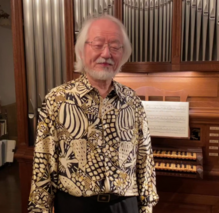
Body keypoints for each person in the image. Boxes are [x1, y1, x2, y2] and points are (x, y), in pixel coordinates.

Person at [28, 15, 159, 213]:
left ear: (123, 54)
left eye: (115, 47)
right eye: (98, 44)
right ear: (81, 51)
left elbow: (145, 158)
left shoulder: (132, 101)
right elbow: (43, 164)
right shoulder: (57, 100)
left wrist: (147, 206)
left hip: (125, 205)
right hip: (75, 206)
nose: (106, 54)